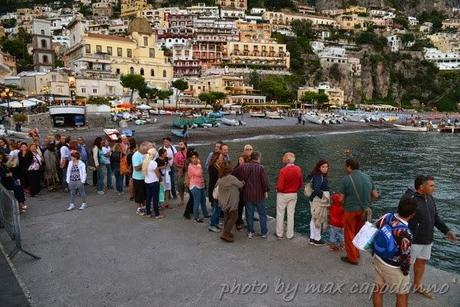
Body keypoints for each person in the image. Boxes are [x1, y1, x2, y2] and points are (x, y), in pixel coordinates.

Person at [401, 175, 457, 299]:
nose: (434, 188)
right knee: (406, 265)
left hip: (427, 239)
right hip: (413, 240)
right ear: (422, 187)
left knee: (421, 262)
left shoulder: (429, 198)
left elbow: (435, 217)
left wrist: (447, 231)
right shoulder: (409, 199)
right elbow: (401, 219)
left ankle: (417, 285)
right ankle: (400, 290)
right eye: (431, 185)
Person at [372, 198, 418, 307]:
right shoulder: (406, 233)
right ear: (413, 214)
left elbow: (375, 228)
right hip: (393, 267)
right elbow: (405, 256)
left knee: (378, 289)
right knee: (402, 295)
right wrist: (405, 271)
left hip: (378, 258)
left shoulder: (387, 216)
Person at [337, 158, 379, 265]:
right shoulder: (368, 177)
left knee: (349, 233)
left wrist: (343, 205)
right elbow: (375, 195)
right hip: (364, 211)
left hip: (350, 210)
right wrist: (368, 204)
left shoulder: (346, 179)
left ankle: (352, 258)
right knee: (357, 233)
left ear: (349, 167)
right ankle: (357, 253)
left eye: (346, 166)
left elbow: (341, 199)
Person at [233, 151, 269, 239]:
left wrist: (240, 182)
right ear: (258, 158)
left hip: (247, 194)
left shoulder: (243, 166)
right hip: (259, 195)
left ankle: (250, 232)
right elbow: (265, 182)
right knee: (262, 214)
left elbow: (233, 173)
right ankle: (264, 232)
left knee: (249, 213)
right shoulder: (261, 168)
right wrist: (266, 191)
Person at [275, 152, 303, 240]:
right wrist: (295, 189)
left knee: (280, 213)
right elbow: (300, 183)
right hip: (293, 193)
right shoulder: (298, 169)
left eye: (283, 157)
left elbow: (280, 186)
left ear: (287, 159)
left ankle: (279, 233)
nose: (282, 159)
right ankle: (290, 234)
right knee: (291, 214)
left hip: (283, 194)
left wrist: (278, 189)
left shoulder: (283, 170)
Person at [216, 160, 244, 242]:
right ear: (229, 169)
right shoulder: (232, 178)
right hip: (232, 202)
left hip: (224, 202)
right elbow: (240, 185)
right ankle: (225, 234)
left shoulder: (220, 179)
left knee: (227, 217)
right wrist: (243, 182)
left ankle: (226, 232)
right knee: (234, 217)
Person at [307, 159, 330, 246]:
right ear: (319, 167)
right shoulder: (319, 176)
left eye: (327, 167)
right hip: (318, 200)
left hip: (313, 199)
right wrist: (324, 197)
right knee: (318, 218)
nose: (325, 168)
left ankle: (312, 238)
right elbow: (317, 189)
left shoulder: (315, 175)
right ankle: (317, 239)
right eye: (323, 167)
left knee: (313, 218)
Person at [186, 151, 208, 223]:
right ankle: (196, 217)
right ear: (190, 159)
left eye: (196, 158)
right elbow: (198, 173)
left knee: (203, 201)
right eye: (193, 158)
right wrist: (198, 164)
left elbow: (201, 175)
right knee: (197, 202)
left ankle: (206, 214)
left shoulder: (197, 165)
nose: (194, 159)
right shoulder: (190, 166)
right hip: (195, 186)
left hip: (201, 185)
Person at [142, 148, 164, 219]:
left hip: (147, 182)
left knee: (148, 198)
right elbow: (158, 174)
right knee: (155, 198)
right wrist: (160, 179)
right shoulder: (153, 163)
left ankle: (148, 213)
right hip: (154, 182)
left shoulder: (145, 162)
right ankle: (157, 214)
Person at [132, 142, 152, 214]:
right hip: (138, 178)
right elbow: (136, 168)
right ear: (141, 148)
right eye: (146, 150)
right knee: (139, 194)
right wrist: (144, 163)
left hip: (145, 177)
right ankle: (139, 208)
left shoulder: (146, 154)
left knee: (144, 194)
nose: (147, 151)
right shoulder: (136, 155)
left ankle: (144, 207)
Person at [208, 151, 224, 233]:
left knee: (218, 208)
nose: (222, 159)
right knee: (215, 209)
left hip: (218, 191)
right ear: (216, 158)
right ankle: (212, 225)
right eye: (220, 158)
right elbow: (214, 181)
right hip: (215, 191)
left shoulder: (219, 166)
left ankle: (216, 223)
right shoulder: (212, 167)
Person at [173, 141, 188, 207]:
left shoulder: (189, 153)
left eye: (181, 144)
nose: (180, 146)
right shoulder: (177, 154)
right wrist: (179, 169)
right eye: (179, 144)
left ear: (185, 145)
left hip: (189, 171)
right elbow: (175, 163)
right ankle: (182, 200)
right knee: (180, 186)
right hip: (181, 172)